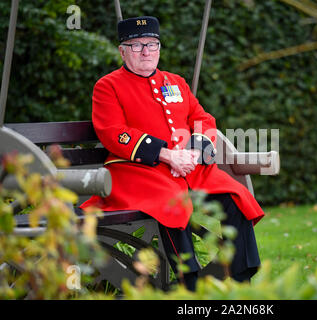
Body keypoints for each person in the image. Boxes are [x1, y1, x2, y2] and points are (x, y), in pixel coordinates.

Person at [80, 16, 265, 291]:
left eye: (152, 44)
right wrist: (166, 155)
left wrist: (194, 152)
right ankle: (186, 284)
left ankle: (242, 280)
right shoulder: (108, 86)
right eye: (137, 45)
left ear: (159, 48)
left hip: (189, 169)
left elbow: (202, 118)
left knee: (234, 196)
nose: (146, 51)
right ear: (122, 51)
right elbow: (113, 132)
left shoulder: (176, 82)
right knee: (171, 201)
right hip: (138, 170)